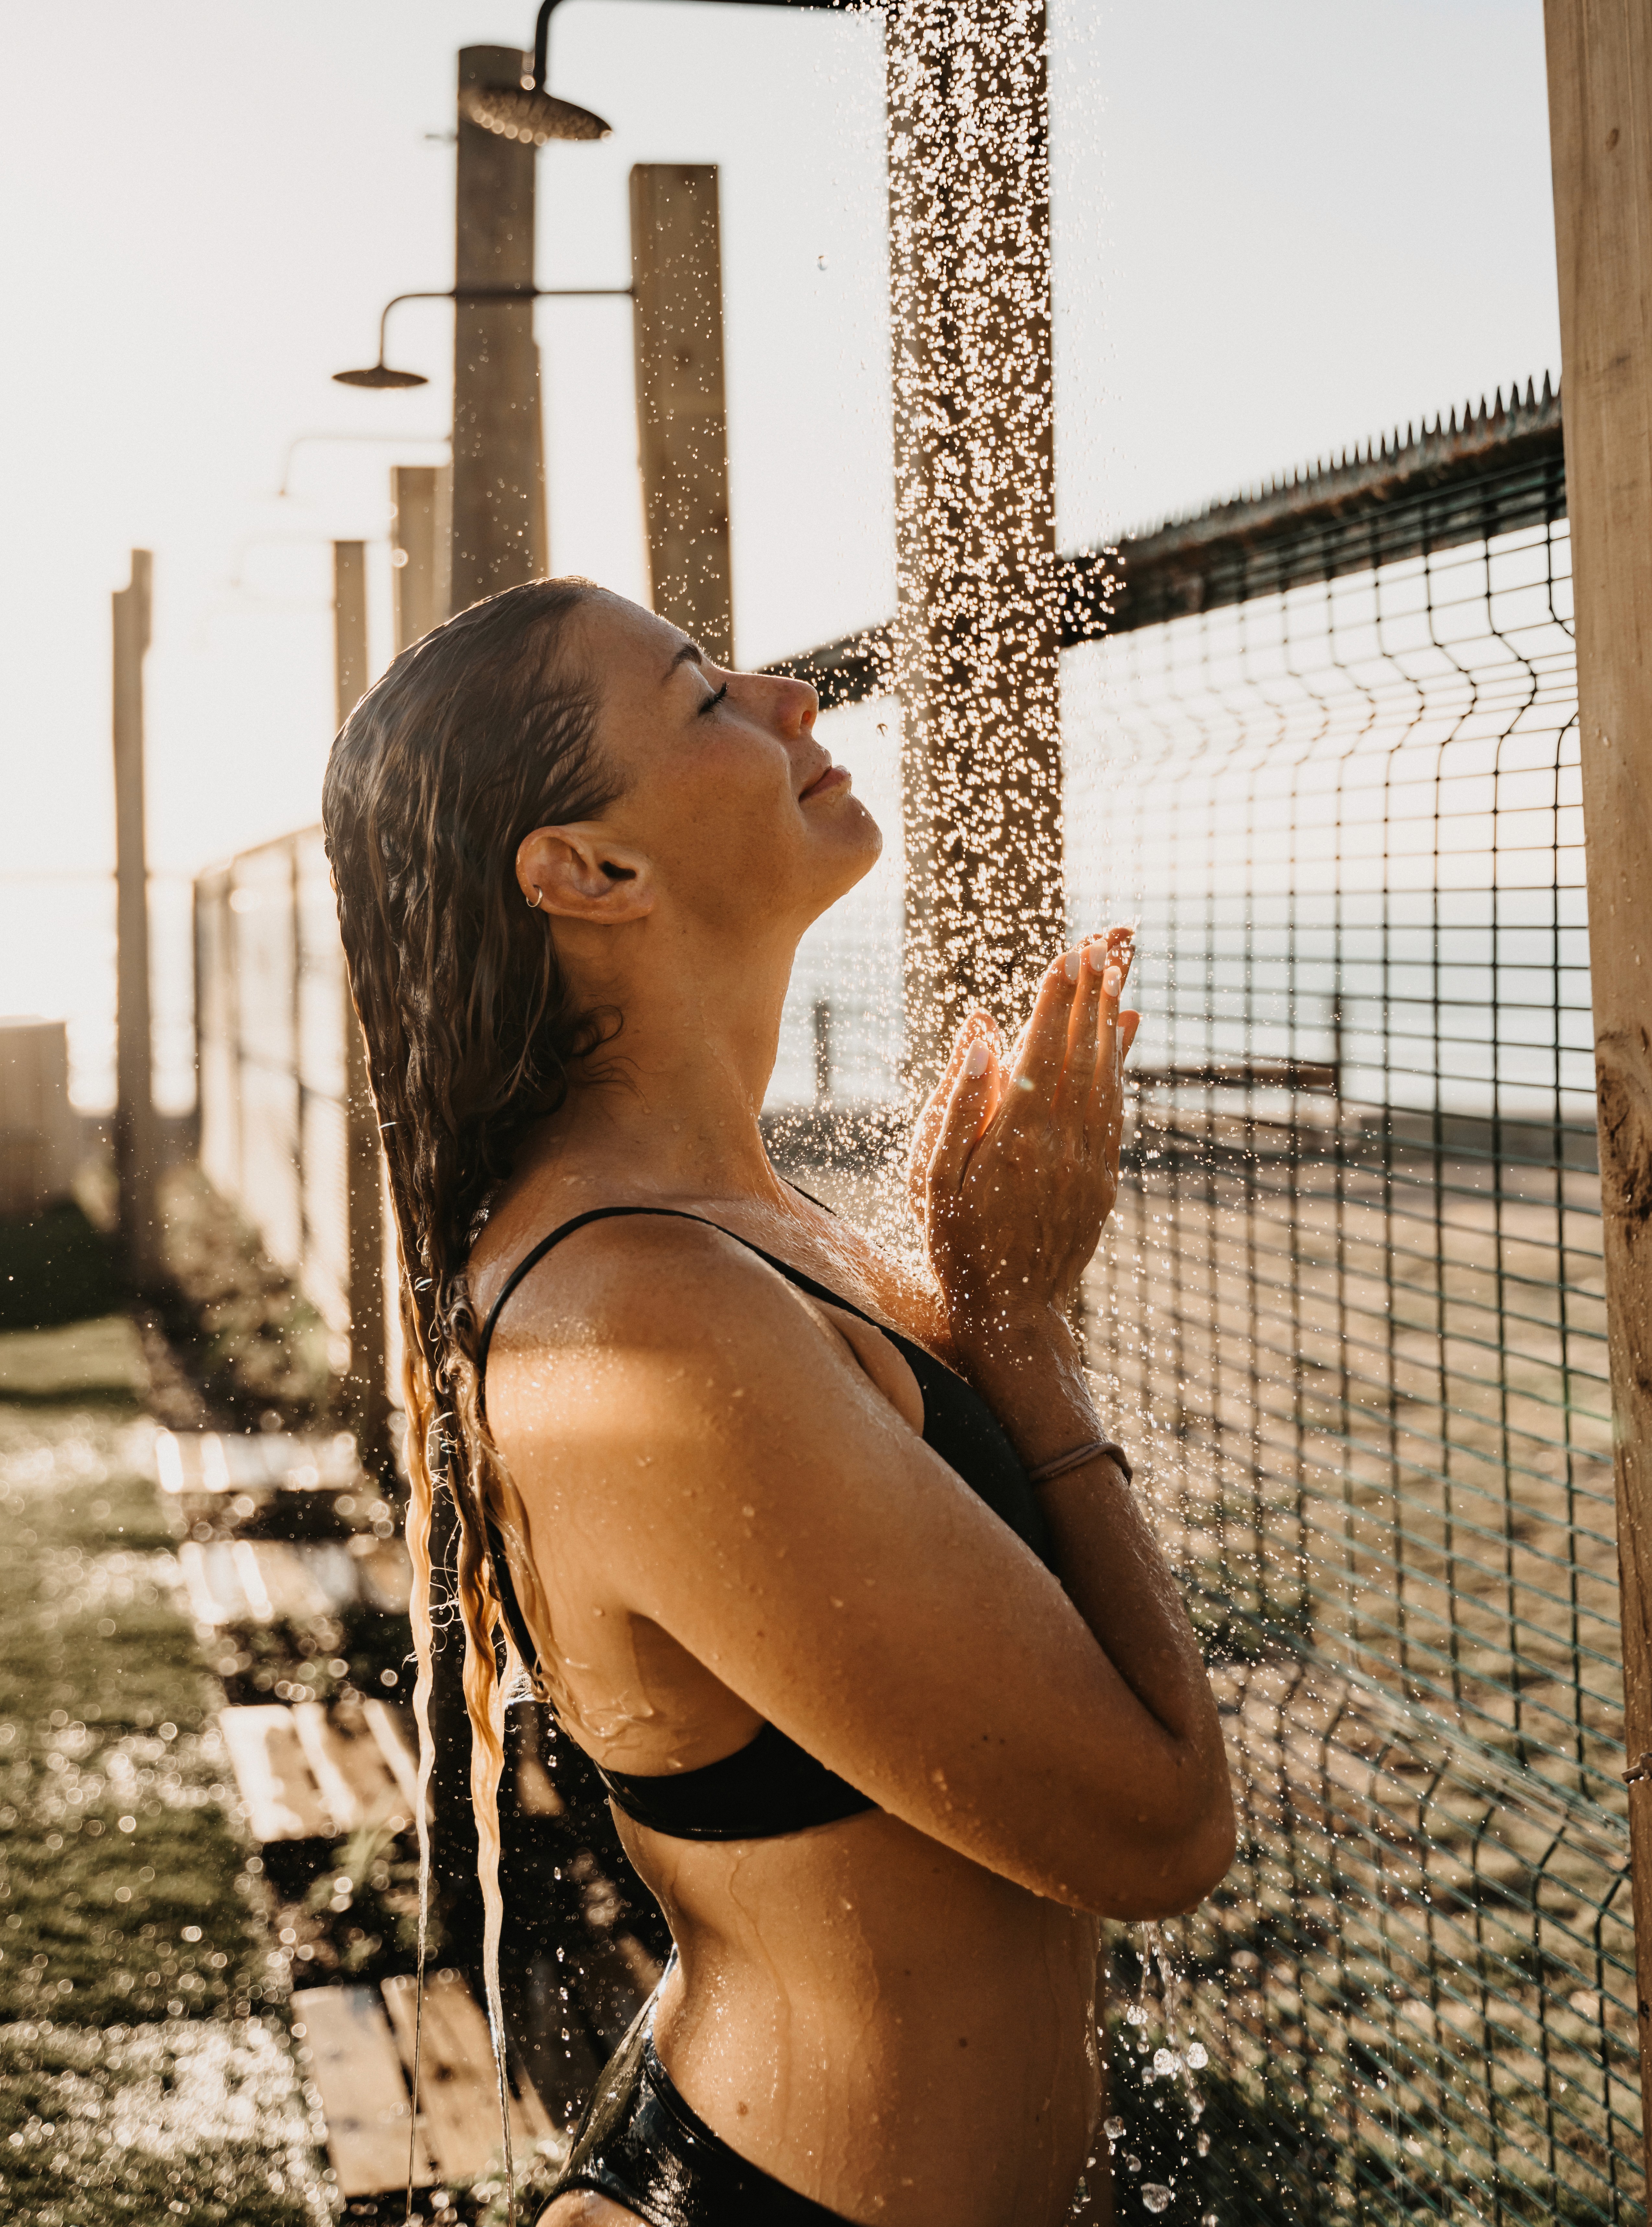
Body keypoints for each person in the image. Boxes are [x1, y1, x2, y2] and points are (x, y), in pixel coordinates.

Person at [323, 578, 1236, 2227]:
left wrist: (991, 1307)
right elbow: (1158, 1829)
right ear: (588, 873)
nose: (789, 696)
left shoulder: (727, 1230)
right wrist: (1017, 1336)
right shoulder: (646, 1318)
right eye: (698, 696)